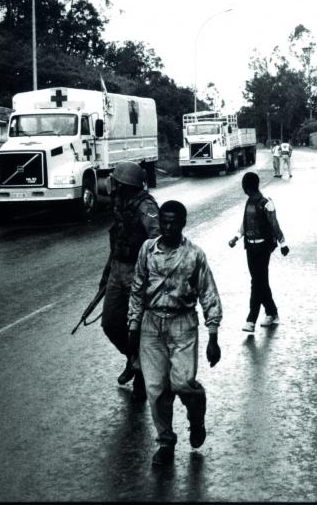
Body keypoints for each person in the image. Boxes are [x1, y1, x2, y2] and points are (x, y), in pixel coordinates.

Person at [127, 200, 222, 467]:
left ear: (182, 224)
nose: (167, 228)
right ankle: (166, 442)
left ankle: (196, 412)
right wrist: (133, 326)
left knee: (182, 383)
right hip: (151, 324)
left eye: (173, 223)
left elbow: (208, 293)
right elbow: (137, 289)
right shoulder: (147, 250)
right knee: (155, 389)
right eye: (164, 222)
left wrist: (213, 335)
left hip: (183, 324)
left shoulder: (194, 255)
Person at [99, 161, 160, 401]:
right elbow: (116, 241)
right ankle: (134, 360)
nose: (111, 184)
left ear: (125, 185)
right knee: (111, 323)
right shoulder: (119, 203)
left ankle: (142, 376)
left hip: (138, 274)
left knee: (138, 328)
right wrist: (106, 276)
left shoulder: (146, 206)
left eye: (116, 181)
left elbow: (158, 242)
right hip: (117, 270)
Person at [228, 172, 289, 333]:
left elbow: (274, 224)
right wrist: (236, 238)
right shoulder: (248, 203)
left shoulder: (266, 203)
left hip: (263, 249)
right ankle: (272, 312)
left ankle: (251, 320)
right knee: (260, 282)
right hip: (250, 248)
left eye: (243, 186)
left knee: (256, 282)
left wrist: (283, 243)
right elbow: (245, 223)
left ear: (247, 187)